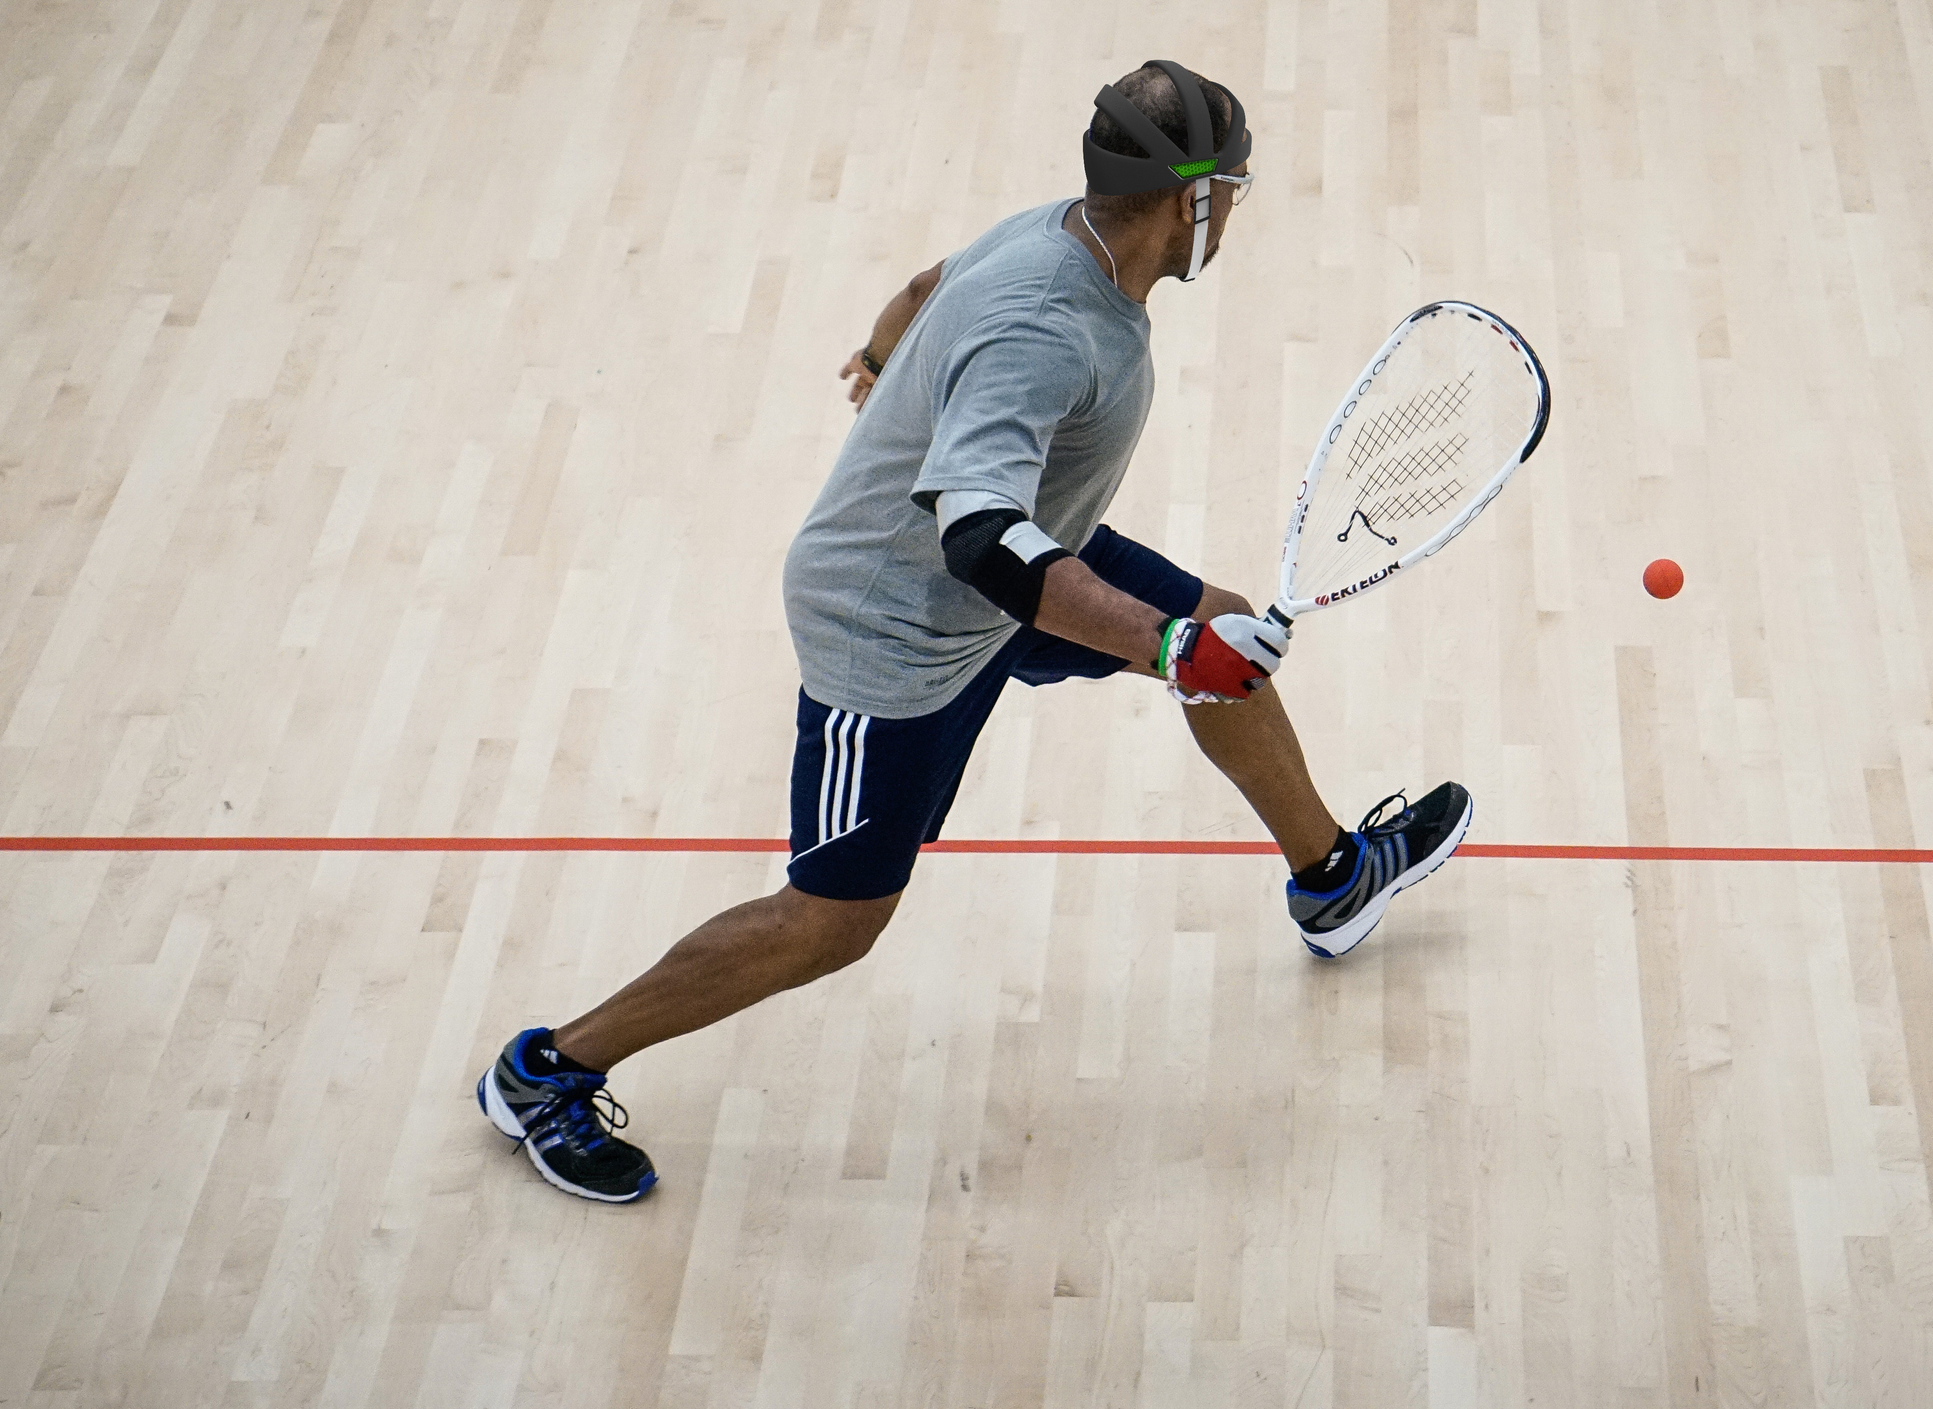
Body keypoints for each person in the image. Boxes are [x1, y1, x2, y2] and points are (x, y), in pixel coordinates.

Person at [475, 60, 1473, 1203]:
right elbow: (980, 539)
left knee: (1222, 633)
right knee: (832, 918)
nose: (1238, 208)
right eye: (1234, 188)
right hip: (897, 625)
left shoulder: (1056, 234)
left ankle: (1330, 878)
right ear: (1190, 198)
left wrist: (885, 359)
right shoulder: (1049, 329)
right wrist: (1155, 645)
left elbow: (924, 283)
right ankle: (546, 1070)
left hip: (1021, 564)